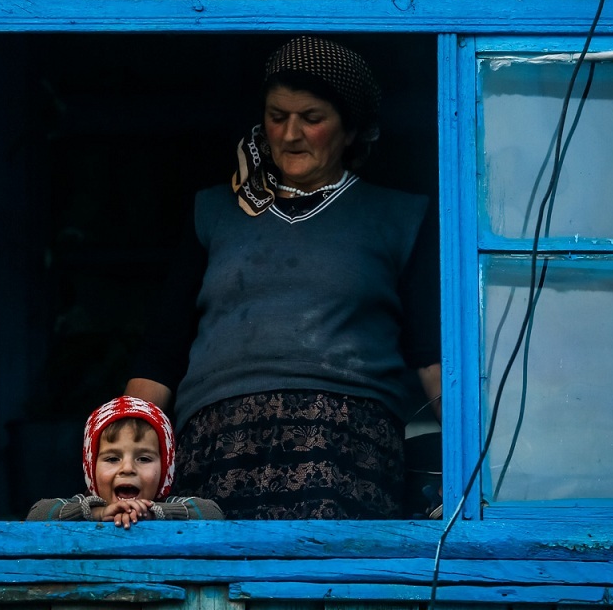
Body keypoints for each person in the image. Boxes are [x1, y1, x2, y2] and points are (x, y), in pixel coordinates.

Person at [125, 35, 441, 520]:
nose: (290, 134)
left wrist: (482, 467)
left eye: (312, 119)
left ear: (351, 129)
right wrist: (127, 456)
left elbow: (430, 356)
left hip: (342, 444)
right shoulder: (213, 211)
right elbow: (162, 353)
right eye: (277, 116)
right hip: (217, 443)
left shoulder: (397, 217)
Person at [25, 396, 224, 526]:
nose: (127, 468)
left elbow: (213, 513)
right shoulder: (84, 506)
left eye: (144, 458)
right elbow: (37, 514)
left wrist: (151, 513)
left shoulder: (170, 505)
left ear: (165, 470)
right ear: (91, 469)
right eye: (112, 458)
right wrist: (99, 514)